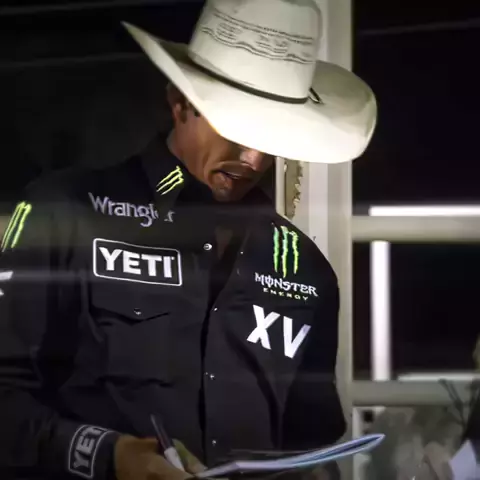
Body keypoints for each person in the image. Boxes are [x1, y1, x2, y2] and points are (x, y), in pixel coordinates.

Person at [0, 0, 377, 479]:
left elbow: (313, 450)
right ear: (179, 103)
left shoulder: (306, 269)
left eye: (271, 135)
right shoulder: (67, 214)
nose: (253, 158)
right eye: (237, 128)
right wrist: (109, 456)